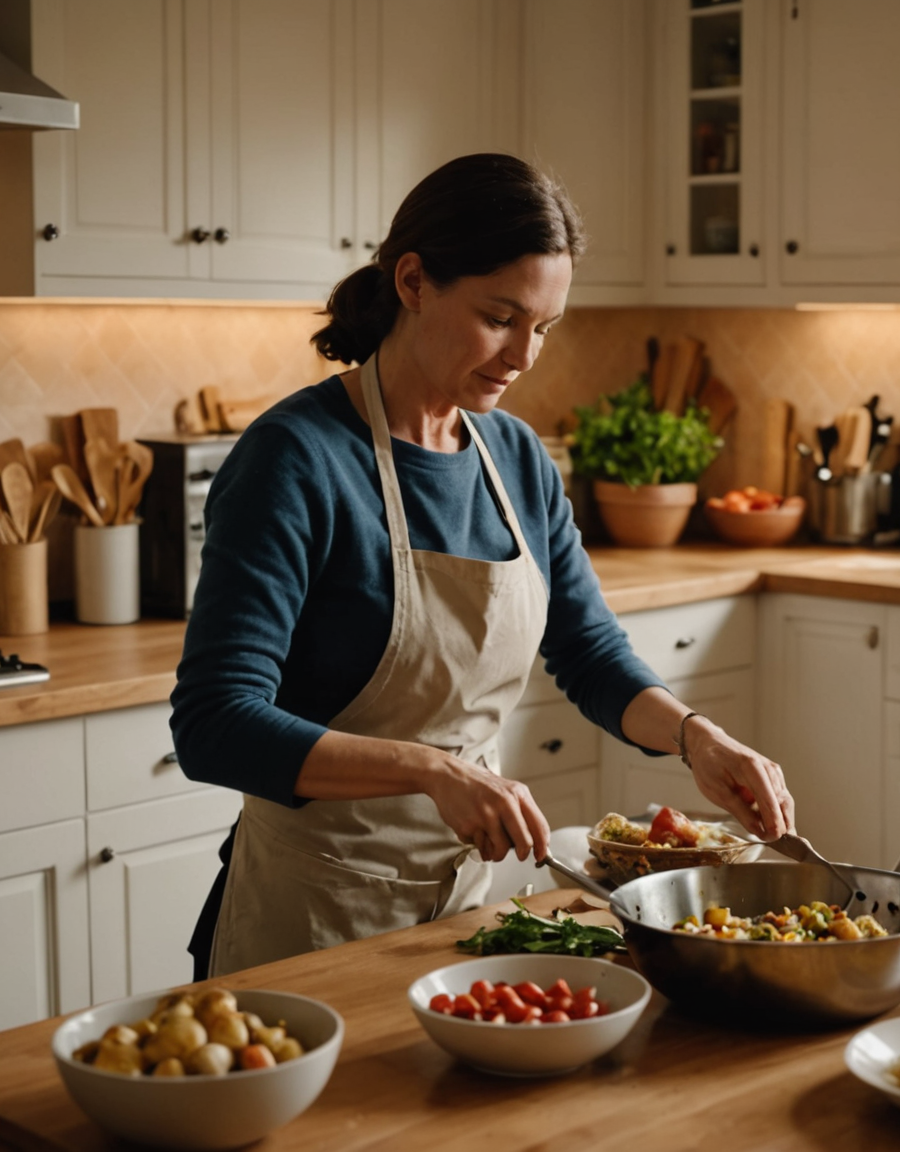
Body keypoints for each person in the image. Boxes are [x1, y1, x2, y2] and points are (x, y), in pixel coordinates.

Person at [174, 154, 794, 977]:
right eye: (501, 317)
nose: (525, 355)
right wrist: (433, 771)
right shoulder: (295, 459)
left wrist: (695, 737)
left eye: (544, 327)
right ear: (413, 281)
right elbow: (214, 724)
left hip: (464, 914)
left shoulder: (516, 457)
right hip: (311, 918)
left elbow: (589, 652)